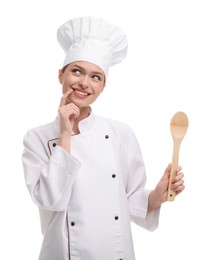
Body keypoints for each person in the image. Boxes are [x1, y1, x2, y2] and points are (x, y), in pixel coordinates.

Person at [22, 16, 185, 260]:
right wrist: (65, 134)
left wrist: (156, 196)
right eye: (76, 71)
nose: (84, 83)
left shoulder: (121, 133)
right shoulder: (37, 138)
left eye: (95, 77)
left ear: (103, 86)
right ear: (60, 75)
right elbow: (50, 199)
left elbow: (130, 201)